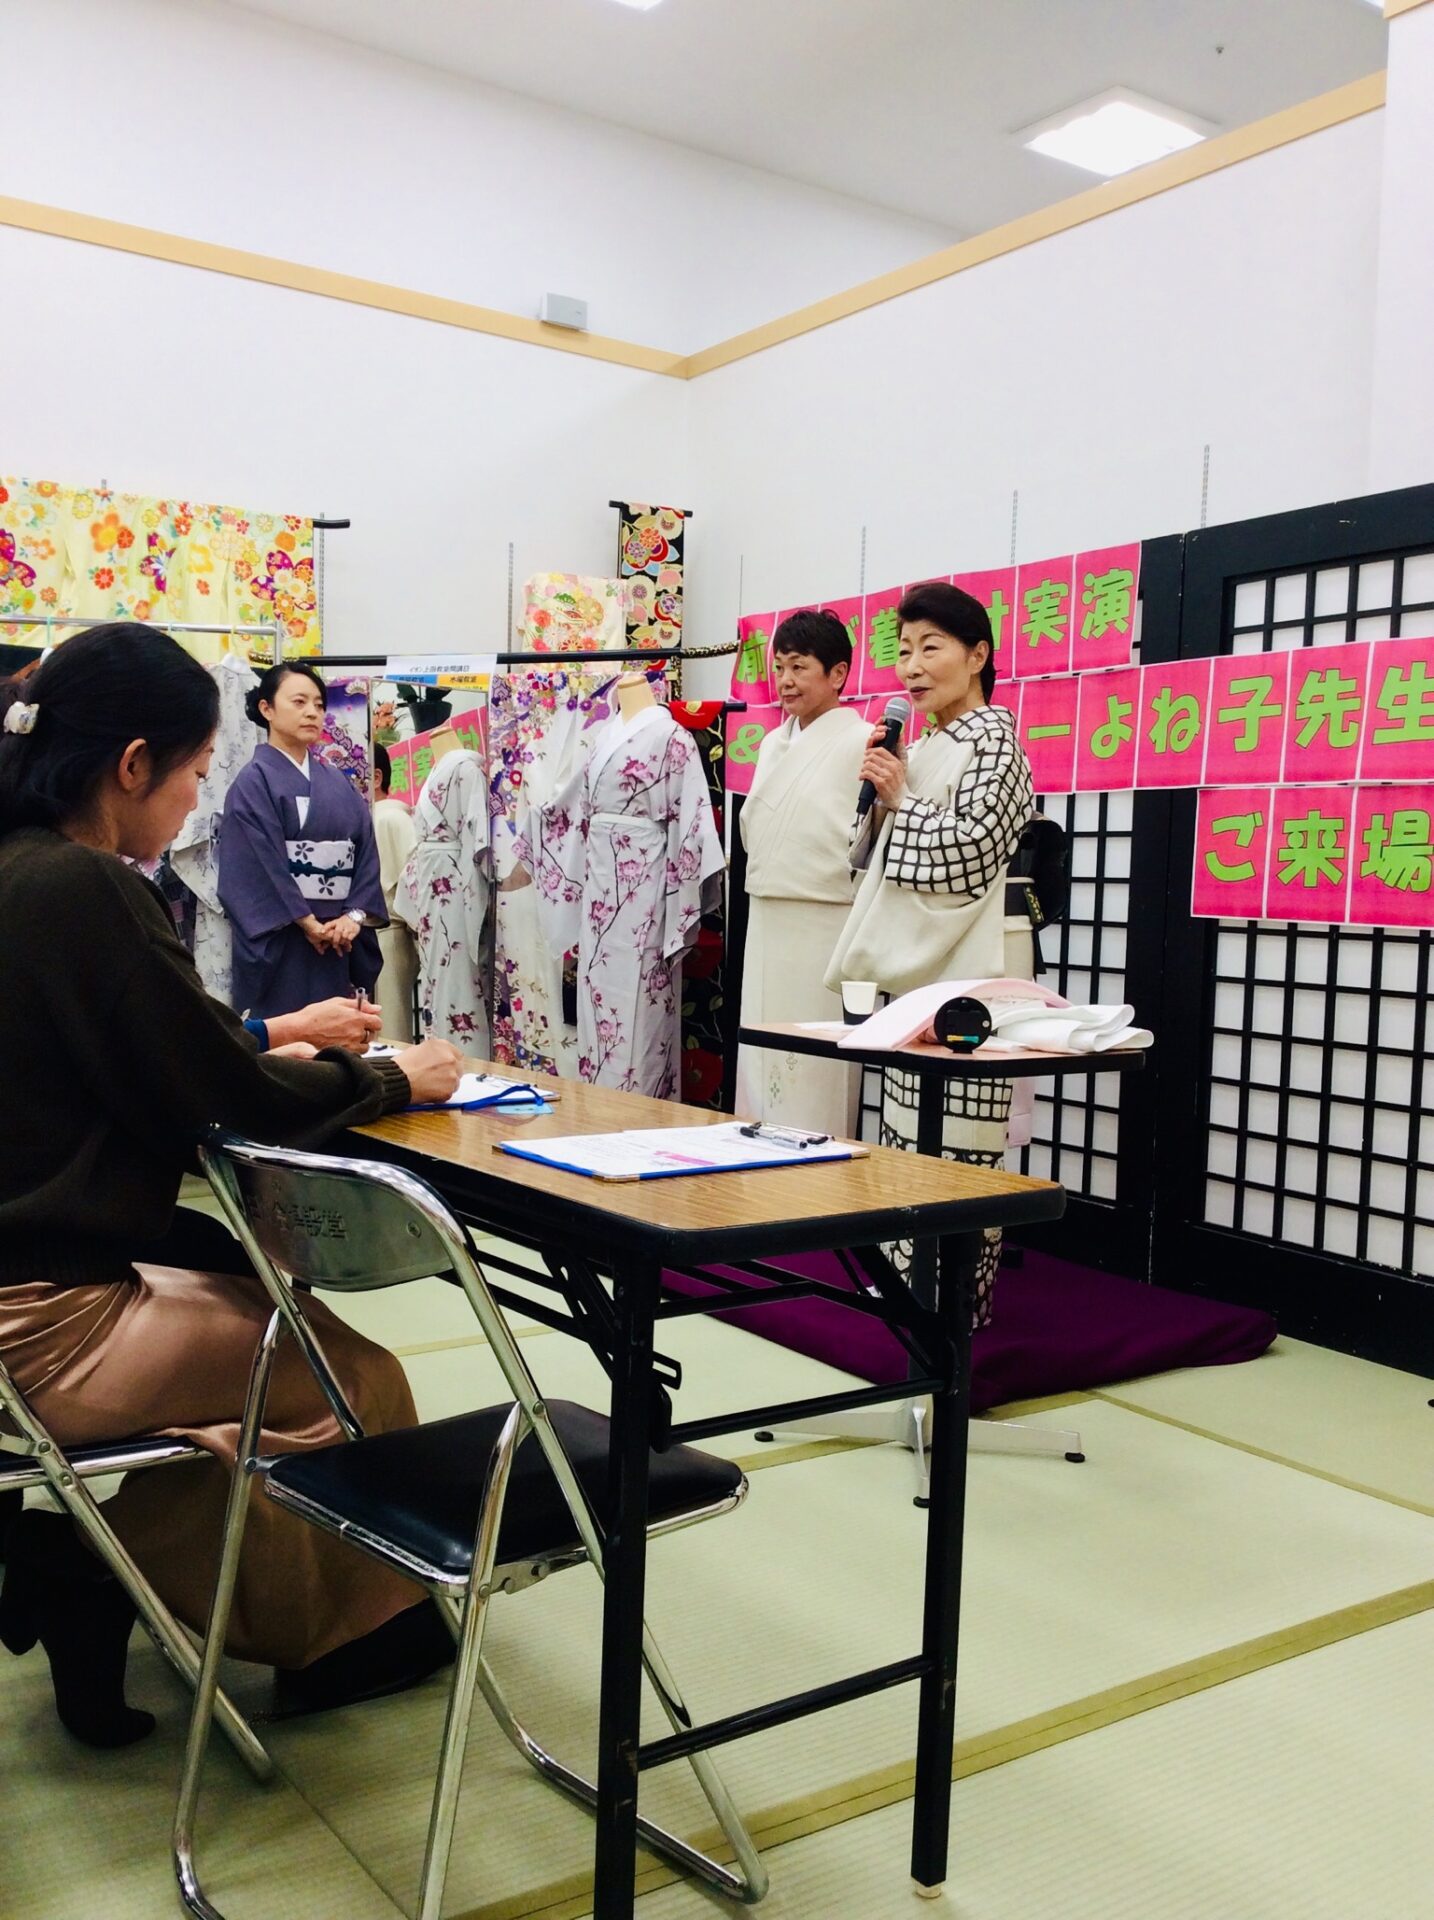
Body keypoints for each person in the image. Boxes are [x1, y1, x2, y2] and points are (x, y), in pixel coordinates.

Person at [0, 624, 465, 1748]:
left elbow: (147, 1048)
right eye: (196, 774)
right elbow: (214, 1093)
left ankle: (101, 1572)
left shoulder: (22, 869)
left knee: (268, 1307)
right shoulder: (82, 886)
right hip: (43, 1317)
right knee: (349, 1377)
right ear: (133, 765)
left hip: (30, 1277)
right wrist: (388, 1075)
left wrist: (269, 1037)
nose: (196, 803)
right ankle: (154, 1586)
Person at [827, 581, 1035, 1322]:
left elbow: (973, 854)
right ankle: (906, 1301)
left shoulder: (997, 745)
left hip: (972, 966)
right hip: (920, 963)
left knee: (963, 1138)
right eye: (905, 651)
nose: (912, 667)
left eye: (931, 648)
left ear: (978, 655)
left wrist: (900, 802)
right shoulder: (923, 744)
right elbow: (872, 857)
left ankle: (955, 1318)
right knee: (908, 1125)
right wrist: (884, 801)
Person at [734, 609, 868, 1135]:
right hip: (768, 912)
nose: (785, 681)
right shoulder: (773, 742)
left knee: (816, 1053)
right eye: (780, 668)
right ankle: (755, 1145)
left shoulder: (863, 740)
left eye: (799, 667)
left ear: (837, 673)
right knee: (762, 1039)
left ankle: (818, 1152)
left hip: (825, 919)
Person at [218, 661, 385, 1020]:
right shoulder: (253, 781)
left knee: (340, 1034)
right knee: (287, 1036)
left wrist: (353, 917)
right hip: (285, 941)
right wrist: (306, 922)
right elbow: (255, 864)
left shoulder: (337, 781)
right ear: (267, 709)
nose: (312, 712)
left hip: (340, 941)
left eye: (319, 705)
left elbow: (365, 852)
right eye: (299, 702)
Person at [371, 744, 419, 1042]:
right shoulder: (374, 816)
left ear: (376, 777)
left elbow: (414, 881)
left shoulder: (392, 817)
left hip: (390, 932)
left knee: (391, 1027)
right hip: (367, 936)